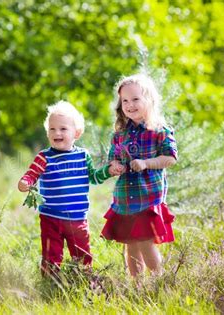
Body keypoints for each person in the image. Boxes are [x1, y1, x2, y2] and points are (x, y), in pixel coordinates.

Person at [18, 100, 117, 276]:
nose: (57, 133)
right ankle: (51, 283)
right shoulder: (44, 157)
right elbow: (31, 174)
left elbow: (93, 177)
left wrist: (108, 171)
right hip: (50, 217)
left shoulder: (82, 156)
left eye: (63, 129)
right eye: (52, 129)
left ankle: (83, 280)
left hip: (77, 218)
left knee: (82, 254)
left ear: (76, 133)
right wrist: (25, 182)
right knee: (51, 255)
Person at [101, 73, 178, 278]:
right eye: (125, 100)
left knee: (145, 241)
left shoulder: (159, 130)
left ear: (149, 100)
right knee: (131, 244)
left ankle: (158, 280)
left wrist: (146, 163)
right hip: (125, 198)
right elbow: (112, 160)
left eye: (135, 99)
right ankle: (137, 284)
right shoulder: (119, 134)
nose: (130, 104)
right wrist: (114, 167)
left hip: (148, 197)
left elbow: (170, 158)